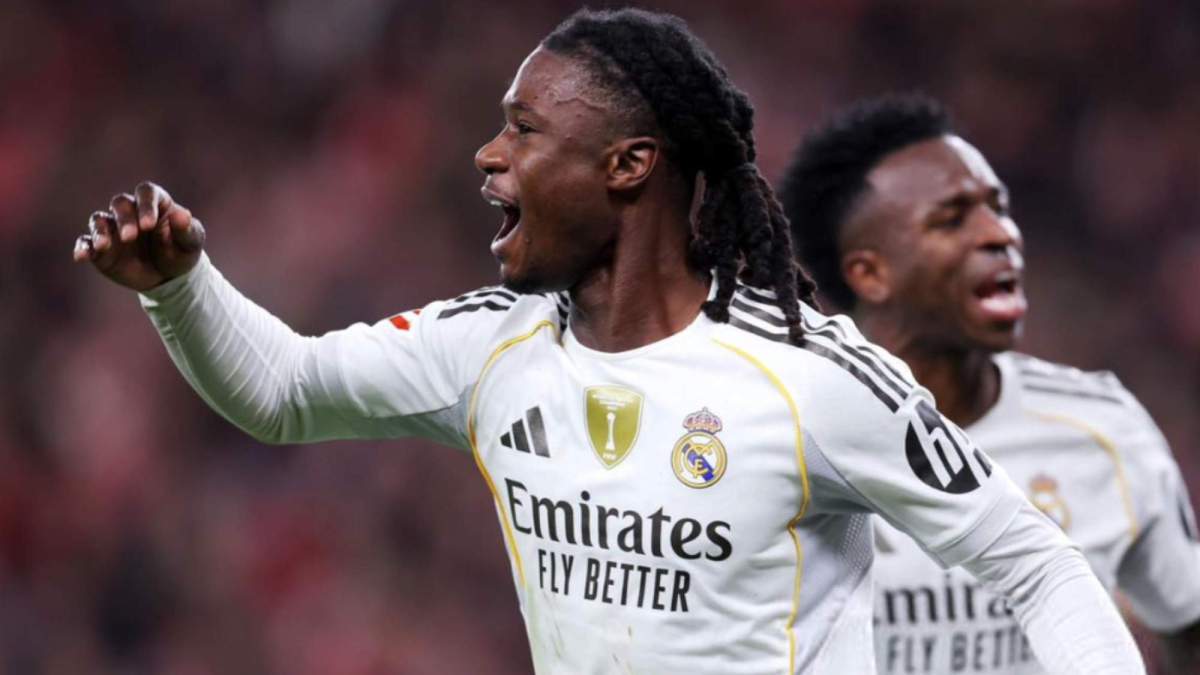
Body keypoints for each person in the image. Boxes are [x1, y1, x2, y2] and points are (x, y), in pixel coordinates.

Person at [73, 9, 1145, 674]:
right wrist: (179, 287)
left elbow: (1038, 567)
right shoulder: (488, 351)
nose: (488, 156)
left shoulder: (811, 379)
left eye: (524, 129)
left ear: (628, 168)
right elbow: (285, 391)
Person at [780, 94, 1199, 674]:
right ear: (870, 273)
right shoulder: (785, 433)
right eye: (953, 219)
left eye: (997, 207)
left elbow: (1188, 622)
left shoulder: (1105, 428)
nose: (998, 233)